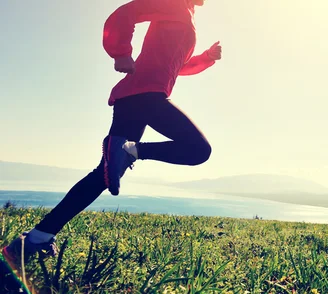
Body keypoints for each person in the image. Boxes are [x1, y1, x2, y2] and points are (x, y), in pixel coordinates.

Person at [3, 0, 222, 264]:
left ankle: (35, 239)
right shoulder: (173, 4)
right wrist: (120, 52)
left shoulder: (186, 16)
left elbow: (178, 66)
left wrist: (206, 58)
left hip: (137, 97)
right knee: (198, 149)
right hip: (145, 95)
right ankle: (130, 150)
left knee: (104, 175)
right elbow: (126, 13)